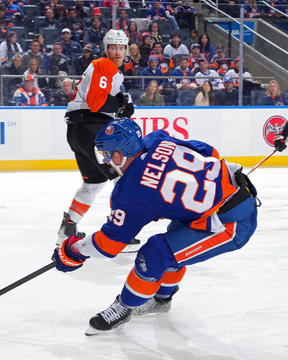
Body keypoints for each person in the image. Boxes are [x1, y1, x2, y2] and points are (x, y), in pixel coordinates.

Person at [52, 118, 258, 335]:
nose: (106, 161)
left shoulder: (130, 193)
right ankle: (161, 301)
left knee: (156, 253)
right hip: (231, 191)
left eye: (107, 155)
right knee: (173, 242)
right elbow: (210, 151)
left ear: (119, 156)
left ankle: (125, 307)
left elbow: (109, 245)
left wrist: (74, 250)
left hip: (231, 223)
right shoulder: (157, 139)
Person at [58, 30, 134, 243]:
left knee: (95, 182)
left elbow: (104, 100)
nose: (117, 52)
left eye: (121, 47)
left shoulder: (114, 73)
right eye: (113, 47)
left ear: (126, 49)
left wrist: (121, 103)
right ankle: (118, 234)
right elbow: (96, 102)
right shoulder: (105, 65)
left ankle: (68, 228)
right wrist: (121, 105)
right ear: (106, 48)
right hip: (90, 128)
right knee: (124, 176)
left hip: (78, 131)